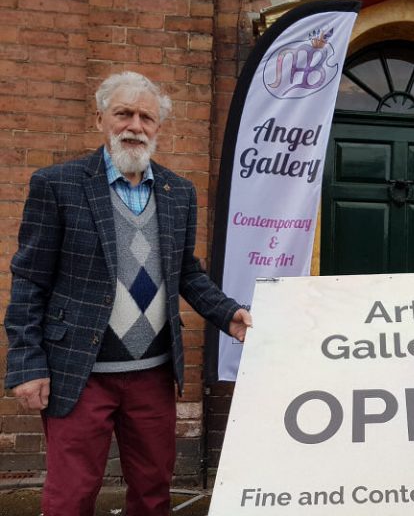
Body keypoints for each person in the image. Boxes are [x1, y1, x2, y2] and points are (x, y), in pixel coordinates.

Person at [4, 71, 252, 516]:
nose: (135, 126)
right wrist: (26, 363)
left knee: (153, 491)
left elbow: (187, 273)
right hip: (79, 372)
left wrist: (228, 313)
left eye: (146, 117)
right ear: (101, 119)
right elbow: (29, 278)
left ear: (158, 127)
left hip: (153, 375)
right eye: (124, 114)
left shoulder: (179, 193)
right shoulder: (57, 185)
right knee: (70, 495)